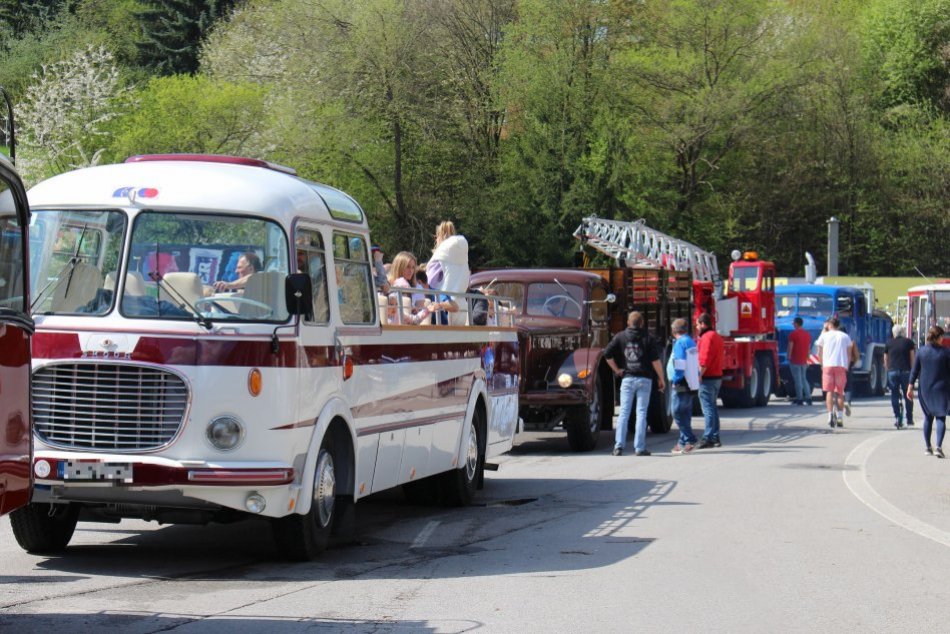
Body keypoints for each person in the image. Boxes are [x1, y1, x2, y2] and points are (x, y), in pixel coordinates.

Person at [604, 311, 665, 457]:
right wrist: (661, 378)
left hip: (627, 378)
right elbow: (655, 361)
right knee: (641, 413)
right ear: (642, 323)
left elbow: (607, 353)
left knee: (624, 413)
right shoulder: (648, 338)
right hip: (645, 379)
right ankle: (639, 448)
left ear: (628, 323)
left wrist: (617, 370)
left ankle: (618, 447)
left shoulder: (620, 336)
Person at [907, 326, 950, 458]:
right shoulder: (946, 352)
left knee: (928, 417)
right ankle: (938, 446)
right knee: (941, 417)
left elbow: (915, 370)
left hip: (925, 388)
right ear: (938, 337)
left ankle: (927, 447)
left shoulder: (921, 351)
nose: (943, 339)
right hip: (942, 388)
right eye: (942, 336)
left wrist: (910, 386)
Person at [815, 317, 858, 428]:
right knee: (840, 392)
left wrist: (821, 364)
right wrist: (847, 366)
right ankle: (839, 417)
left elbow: (819, 351)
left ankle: (829, 416)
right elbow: (849, 354)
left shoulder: (824, 336)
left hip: (828, 366)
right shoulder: (845, 337)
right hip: (840, 366)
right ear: (838, 325)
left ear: (829, 324)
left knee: (829, 392)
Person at [426, 220, 470, 326]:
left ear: (439, 236)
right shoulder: (464, 259)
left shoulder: (439, 257)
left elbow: (431, 281)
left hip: (446, 306)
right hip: (462, 305)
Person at [667, 318, 700, 454]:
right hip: (691, 382)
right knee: (685, 412)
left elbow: (680, 364)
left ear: (674, 331)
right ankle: (683, 442)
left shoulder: (680, 343)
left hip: (682, 382)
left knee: (677, 412)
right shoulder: (690, 341)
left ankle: (690, 439)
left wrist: (675, 379)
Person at [695, 312, 724, 449]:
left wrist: (699, 375)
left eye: (697, 325)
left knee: (707, 409)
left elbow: (704, 360)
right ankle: (714, 436)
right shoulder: (717, 336)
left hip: (708, 377)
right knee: (712, 407)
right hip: (717, 375)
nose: (696, 327)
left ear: (703, 324)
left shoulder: (707, 337)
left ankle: (708, 437)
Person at [885, 324, 916, 429]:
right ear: (903, 332)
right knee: (908, 394)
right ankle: (910, 418)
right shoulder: (909, 342)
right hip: (906, 371)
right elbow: (912, 358)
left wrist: (887, 368)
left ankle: (897, 416)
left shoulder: (889, 343)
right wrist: (913, 371)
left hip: (892, 371)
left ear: (893, 333)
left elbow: (886, 358)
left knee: (894, 394)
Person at [386, 251, 429, 325]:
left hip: (410, 326)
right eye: (408, 267)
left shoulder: (418, 288)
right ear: (400, 267)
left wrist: (414, 309)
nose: (411, 271)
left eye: (413, 267)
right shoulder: (387, 284)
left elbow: (418, 312)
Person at [787, 316, 813, 406]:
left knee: (797, 380)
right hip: (804, 360)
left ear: (797, 324)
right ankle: (809, 398)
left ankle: (800, 399)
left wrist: (788, 357)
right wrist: (808, 359)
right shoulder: (808, 334)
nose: (793, 324)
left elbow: (790, 347)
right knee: (804, 379)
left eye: (794, 323)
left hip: (795, 360)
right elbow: (808, 349)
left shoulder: (793, 334)